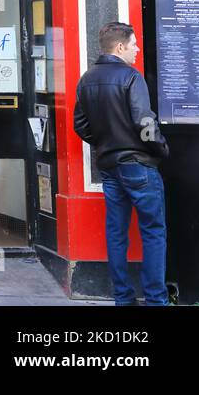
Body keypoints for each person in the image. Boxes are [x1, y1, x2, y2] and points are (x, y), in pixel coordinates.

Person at [73, 21, 170, 306]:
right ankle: (156, 301)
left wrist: (104, 142)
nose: (137, 49)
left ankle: (123, 299)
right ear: (120, 47)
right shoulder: (131, 76)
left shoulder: (86, 78)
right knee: (153, 232)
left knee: (116, 232)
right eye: (133, 44)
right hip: (139, 165)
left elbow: (80, 125)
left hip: (109, 166)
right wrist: (160, 147)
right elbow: (145, 121)